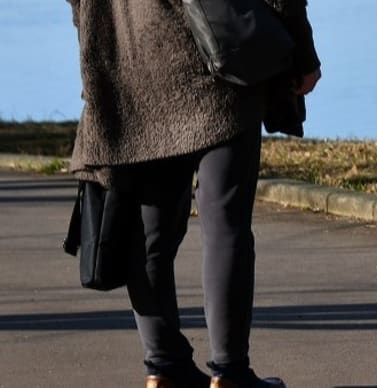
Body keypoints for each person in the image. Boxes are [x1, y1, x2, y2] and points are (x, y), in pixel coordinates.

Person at [65, 1, 321, 387]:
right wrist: (302, 50)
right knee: (225, 226)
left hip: (134, 72)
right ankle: (230, 373)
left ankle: (164, 368)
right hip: (217, 62)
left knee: (149, 235)